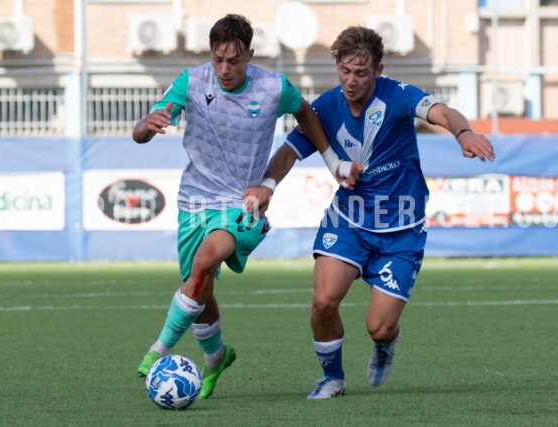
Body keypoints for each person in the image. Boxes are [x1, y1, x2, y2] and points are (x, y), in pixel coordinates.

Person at [258, 26, 496, 399]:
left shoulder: (398, 96)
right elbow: (288, 151)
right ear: (337, 64)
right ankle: (332, 378)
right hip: (349, 222)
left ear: (378, 70)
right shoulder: (324, 108)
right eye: (345, 70)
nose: (351, 80)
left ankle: (386, 345)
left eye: (361, 72)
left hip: (402, 230)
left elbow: (442, 111)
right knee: (323, 302)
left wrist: (462, 133)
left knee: (379, 328)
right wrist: (267, 186)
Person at [132, 14, 354, 400]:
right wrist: (146, 126)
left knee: (204, 263)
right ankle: (217, 356)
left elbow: (306, 113)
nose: (225, 69)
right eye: (218, 59)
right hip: (194, 201)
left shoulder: (273, 88)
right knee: (197, 293)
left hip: (243, 203)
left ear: (250, 54)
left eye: (234, 60)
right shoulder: (191, 81)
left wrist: (332, 161)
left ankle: (159, 350)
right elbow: (140, 135)